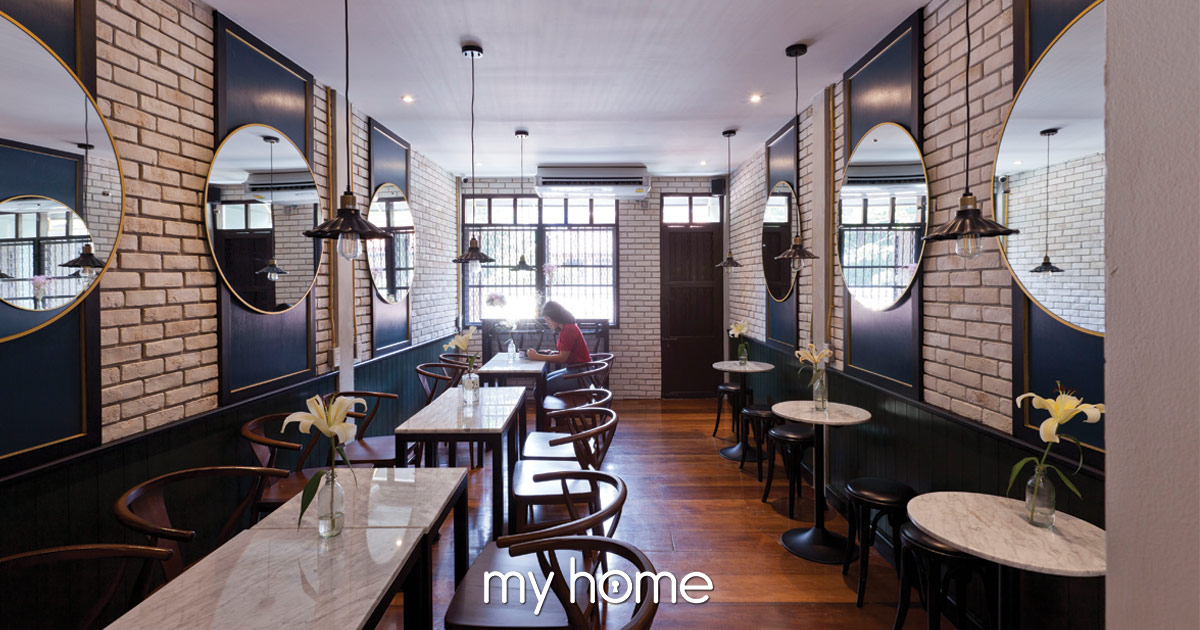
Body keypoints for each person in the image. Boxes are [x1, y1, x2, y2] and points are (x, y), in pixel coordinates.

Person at [526, 301, 593, 394]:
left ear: (555, 316)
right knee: (540, 384)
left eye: (548, 319)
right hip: (576, 370)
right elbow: (565, 353)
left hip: (582, 374)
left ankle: (556, 403)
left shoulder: (569, 329)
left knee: (538, 390)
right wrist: (552, 353)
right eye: (546, 320)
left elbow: (562, 358)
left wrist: (536, 356)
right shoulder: (565, 328)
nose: (547, 323)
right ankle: (553, 403)